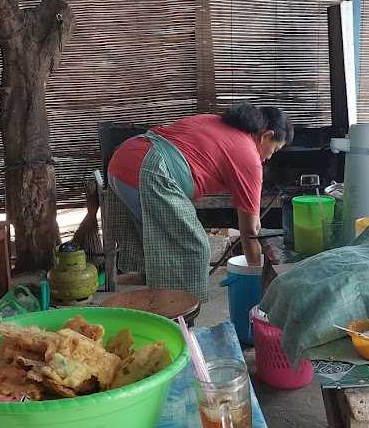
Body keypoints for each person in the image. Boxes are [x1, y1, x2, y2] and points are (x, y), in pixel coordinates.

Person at [107, 103, 294, 303]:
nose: (269, 157)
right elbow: (250, 230)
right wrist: (257, 276)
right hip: (147, 172)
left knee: (158, 245)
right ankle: (181, 315)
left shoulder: (217, 121)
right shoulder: (248, 154)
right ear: (266, 135)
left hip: (121, 163)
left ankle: (156, 308)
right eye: (274, 149)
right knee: (195, 248)